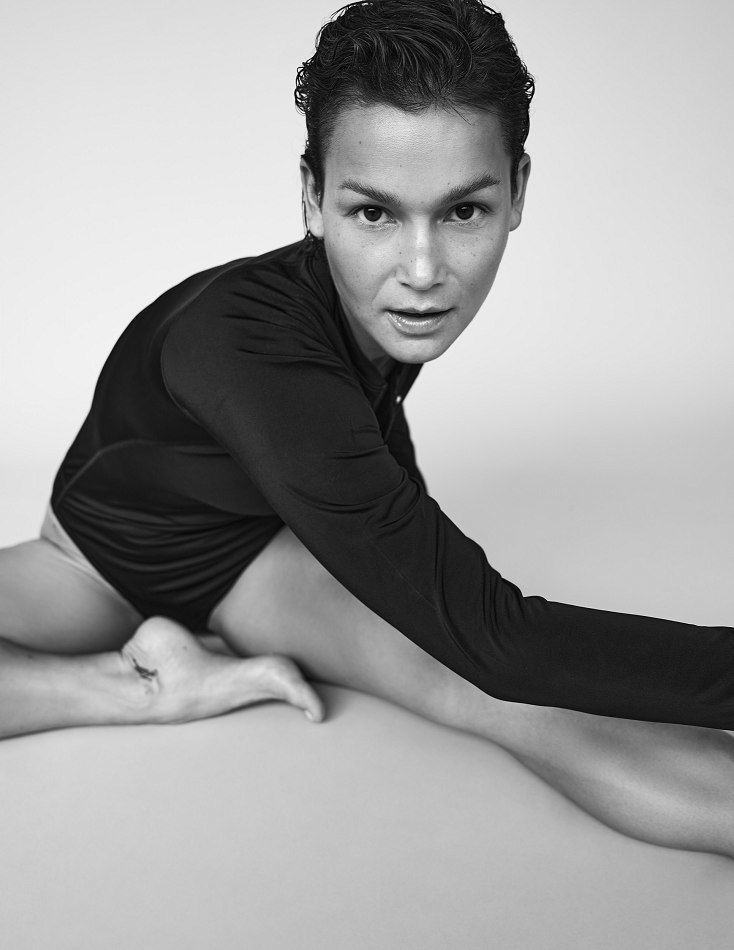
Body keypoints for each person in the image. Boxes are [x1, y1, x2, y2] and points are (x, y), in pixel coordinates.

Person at [2, 0, 734, 857]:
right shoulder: (244, 343)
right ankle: (142, 689)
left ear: (518, 192)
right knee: (490, 670)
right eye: (375, 214)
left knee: (504, 702)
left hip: (264, 560)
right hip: (96, 562)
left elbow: (377, 477)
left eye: (463, 212)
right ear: (312, 198)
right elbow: (499, 641)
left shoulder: (372, 308)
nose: (422, 271)